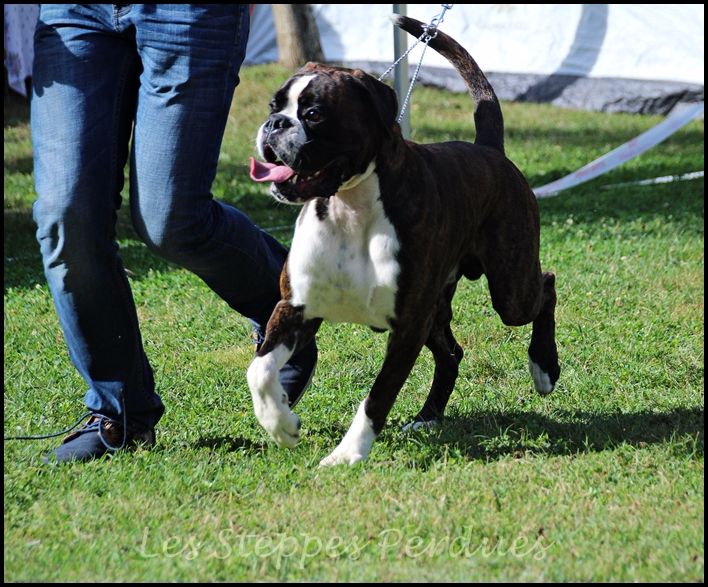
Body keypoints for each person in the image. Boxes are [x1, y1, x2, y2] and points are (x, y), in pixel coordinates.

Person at [31, 4, 317, 463]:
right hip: (75, 12)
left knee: (171, 220)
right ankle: (119, 413)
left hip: (188, 13)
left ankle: (285, 317)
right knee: (66, 214)